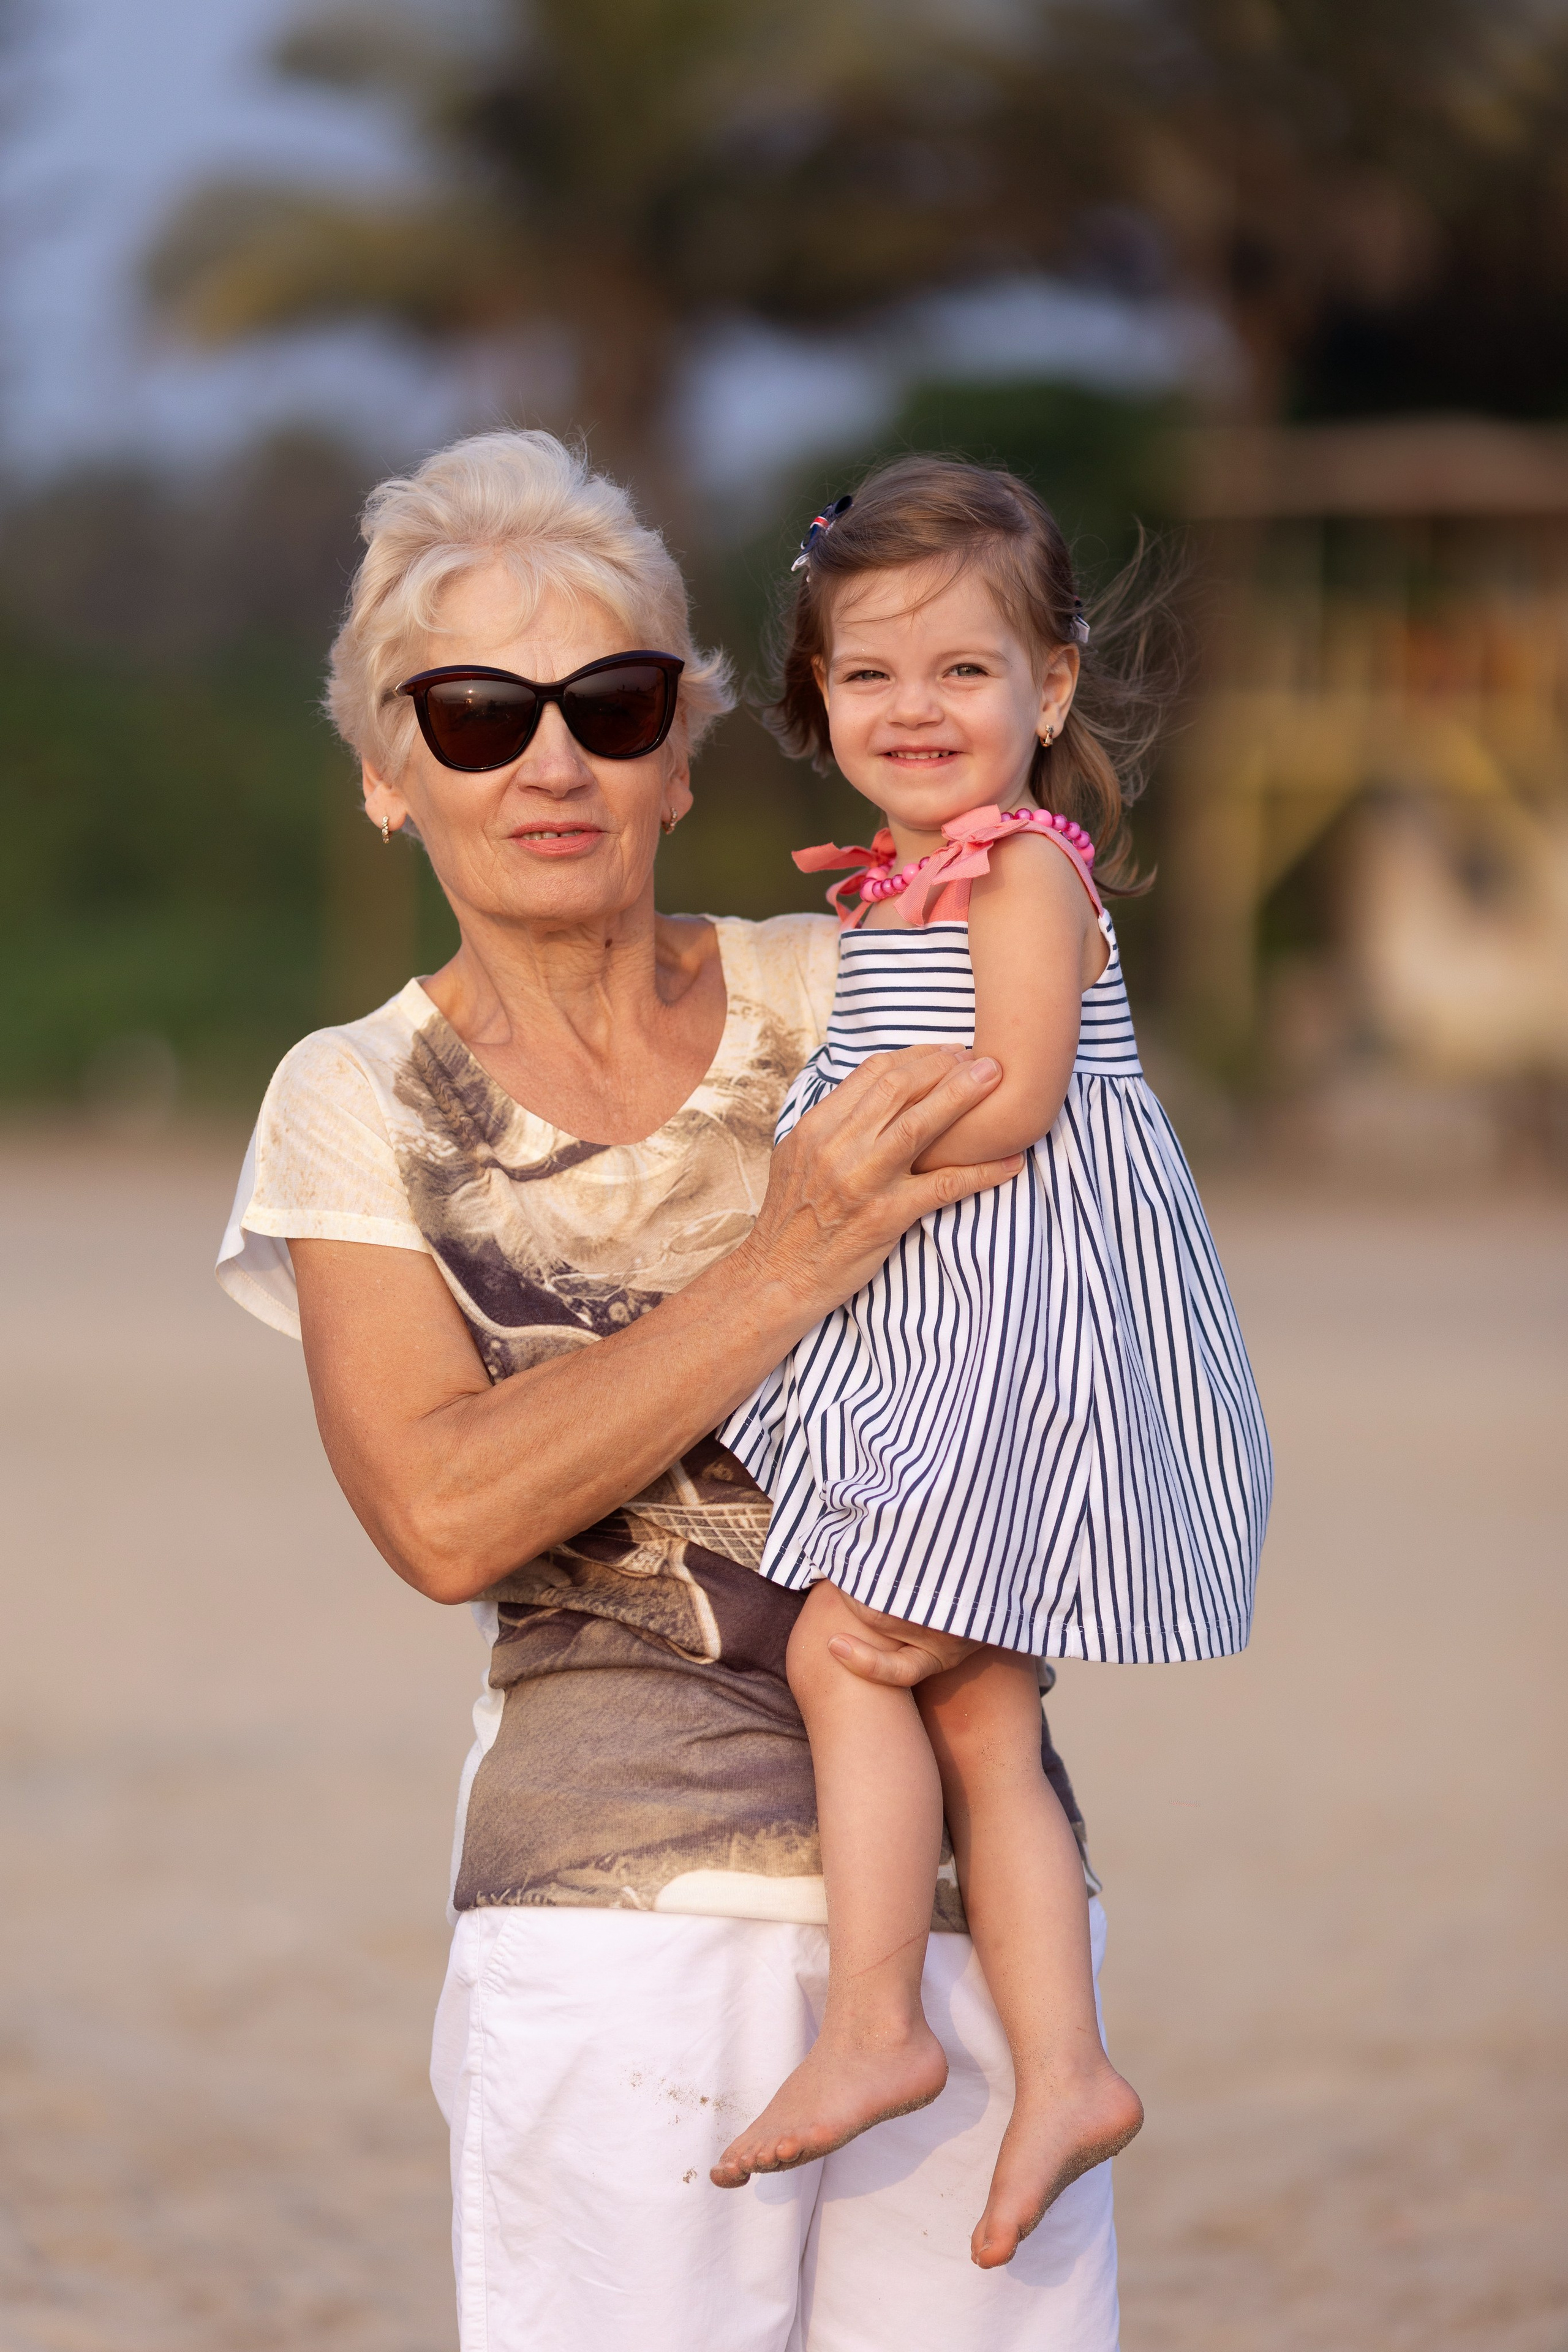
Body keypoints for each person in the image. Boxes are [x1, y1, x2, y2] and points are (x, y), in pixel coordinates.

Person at [215, 428, 1123, 2350]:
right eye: (473, 715)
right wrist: (794, 1250)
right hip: (614, 1910)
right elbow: (446, 1517)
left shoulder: (860, 971)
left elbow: (1090, 1241)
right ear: (389, 778)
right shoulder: (355, 1099)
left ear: (685, 750)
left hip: (985, 1902)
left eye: (611, 703)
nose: (552, 761)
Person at [713, 458, 1273, 2265]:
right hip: (953, 1326)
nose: (918, 710)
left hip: (1021, 1337)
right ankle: (1065, 2070)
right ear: (818, 707)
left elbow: (1022, 1105)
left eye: (966, 673)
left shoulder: (1024, 874)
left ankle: (880, 2024)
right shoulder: (899, 890)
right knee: (979, 1707)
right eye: (870, 676)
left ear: (1049, 691)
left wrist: (837, 1200)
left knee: (847, 1644)